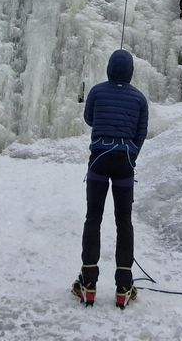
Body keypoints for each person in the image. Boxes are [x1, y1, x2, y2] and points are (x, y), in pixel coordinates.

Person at [72, 49, 148, 310]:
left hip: (99, 161)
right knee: (123, 221)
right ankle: (124, 286)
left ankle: (88, 282)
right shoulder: (139, 98)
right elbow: (141, 133)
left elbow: (89, 118)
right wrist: (131, 156)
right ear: (130, 72)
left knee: (93, 218)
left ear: (109, 68)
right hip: (124, 163)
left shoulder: (96, 91)